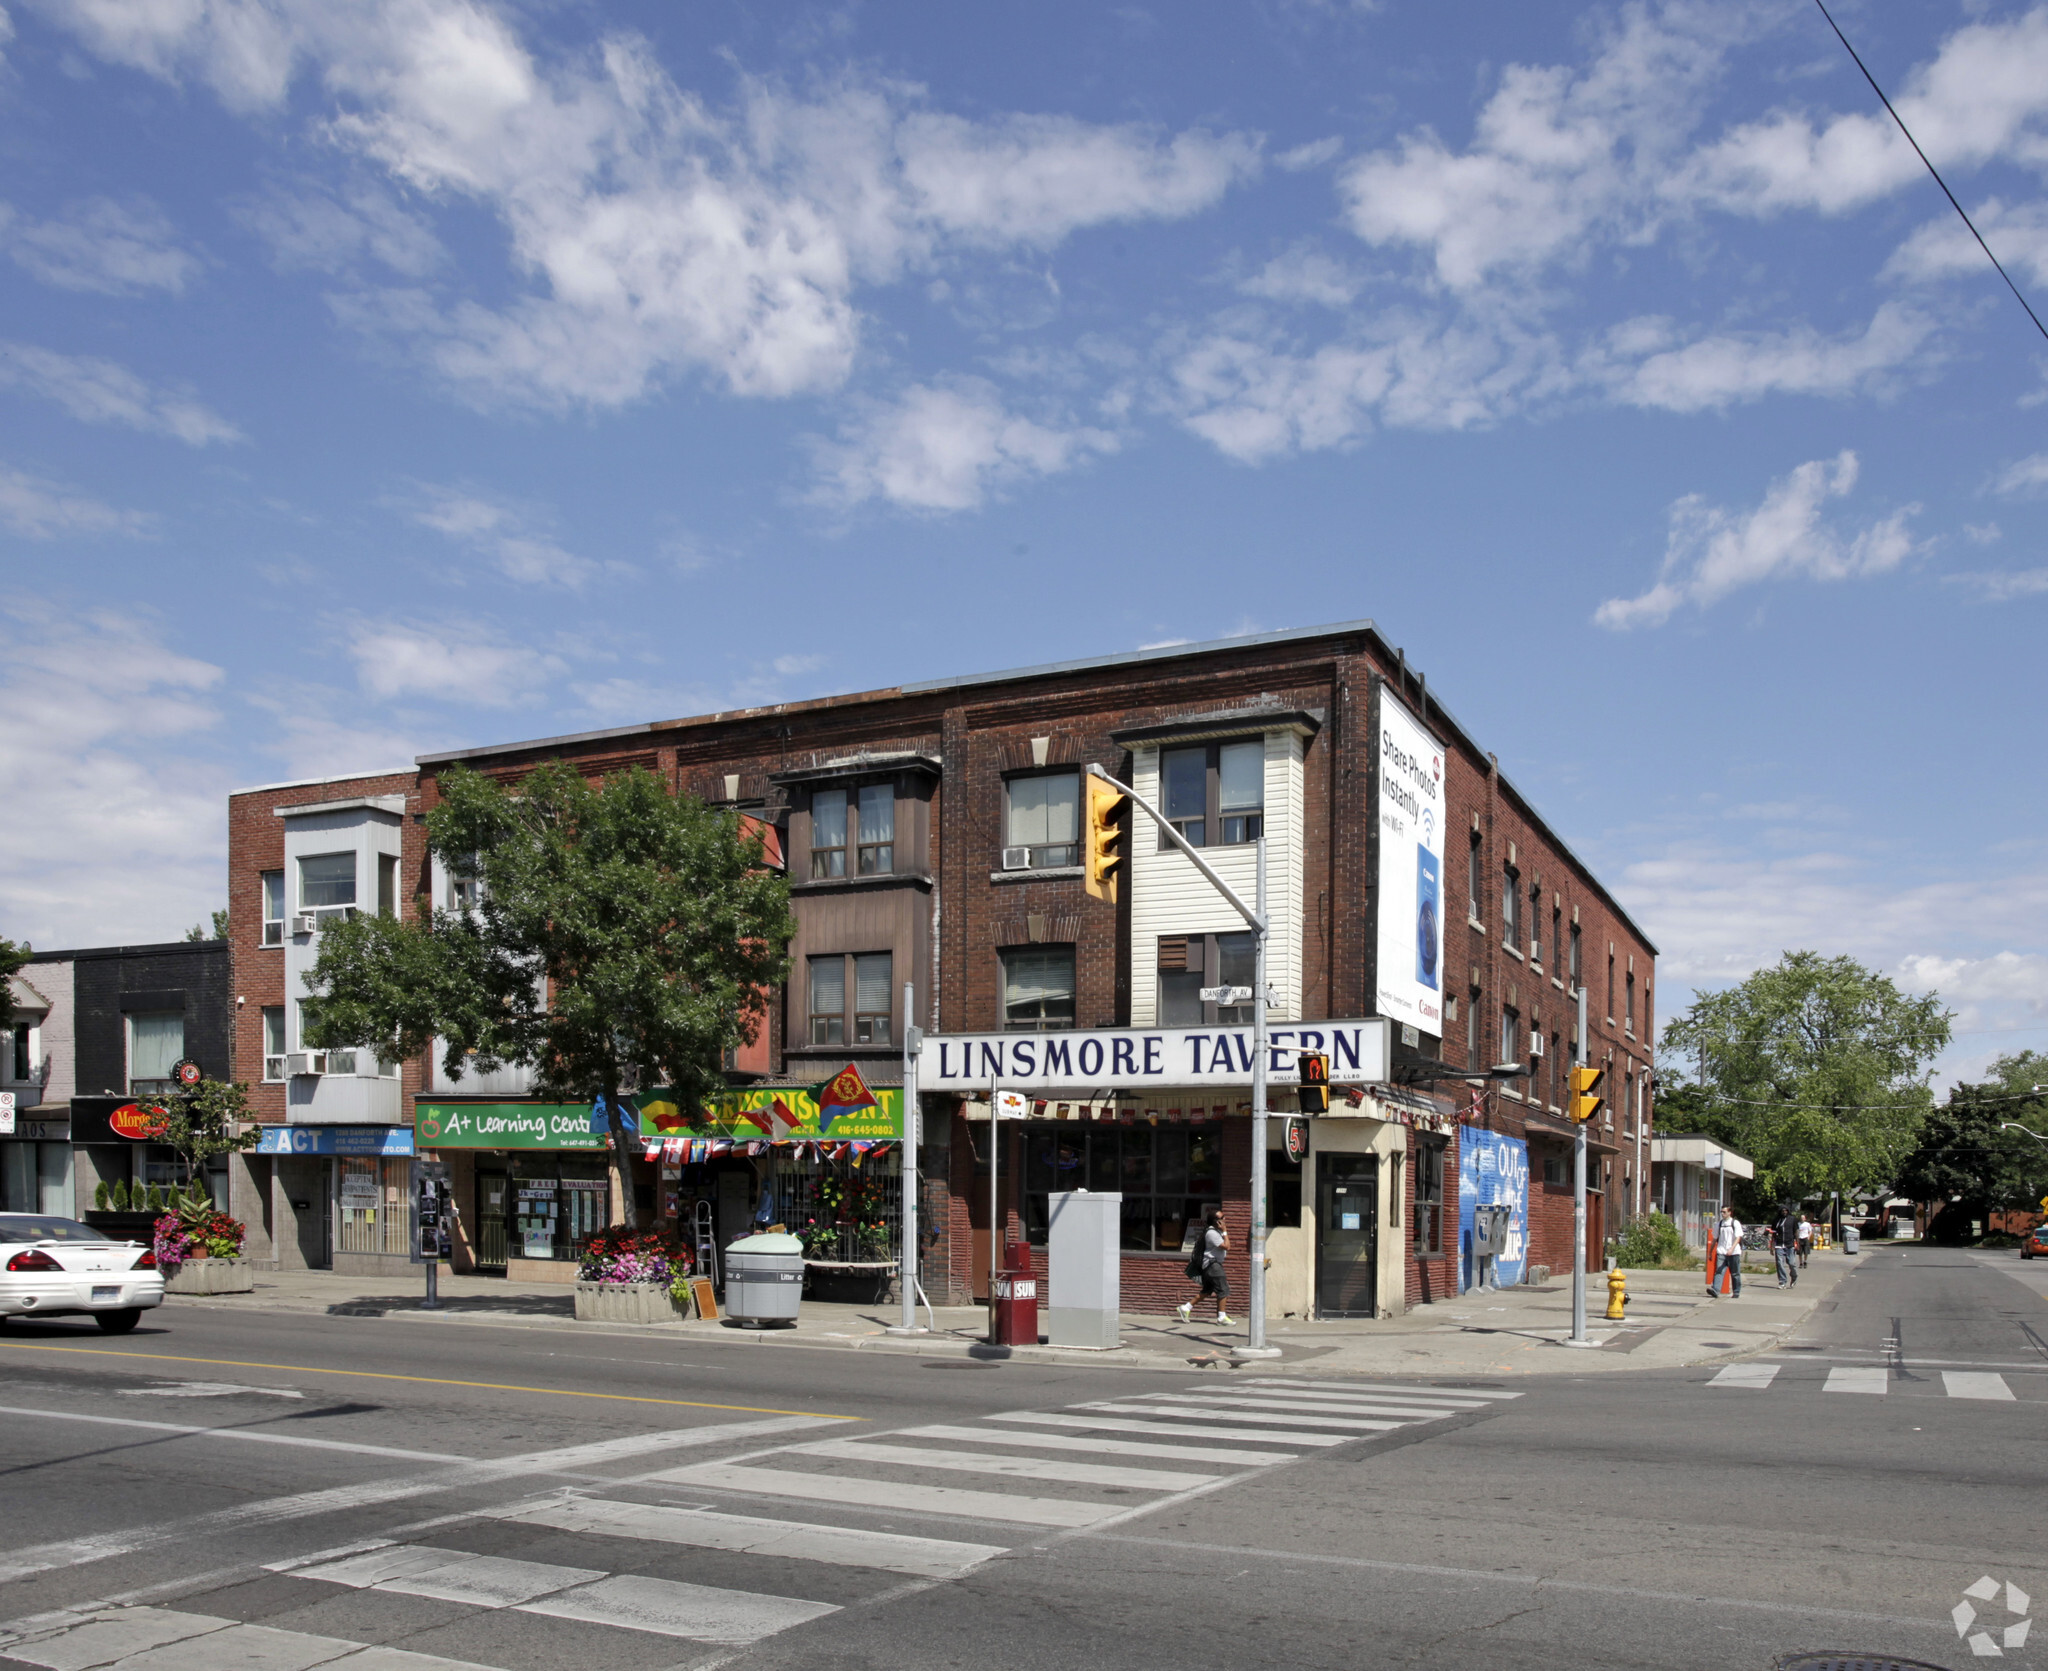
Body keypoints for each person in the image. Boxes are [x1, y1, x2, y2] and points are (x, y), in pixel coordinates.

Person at [1177, 1207, 1232, 1326]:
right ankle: (1222, 1317)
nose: (1225, 1219)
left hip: (1211, 1265)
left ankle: (1186, 1308)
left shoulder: (1214, 1231)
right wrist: (1225, 1231)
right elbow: (1227, 1246)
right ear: (1217, 1221)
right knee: (1223, 1289)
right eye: (1223, 1218)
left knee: (1207, 1290)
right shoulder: (1212, 1233)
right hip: (1213, 1265)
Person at [1710, 1204, 1744, 1298]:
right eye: (1721, 1212)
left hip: (1734, 1252)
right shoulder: (1719, 1224)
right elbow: (1714, 1238)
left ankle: (1736, 1291)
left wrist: (1732, 1248)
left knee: (1735, 1273)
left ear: (1729, 1212)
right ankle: (1715, 1290)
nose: (1722, 1214)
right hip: (1721, 1251)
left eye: (1724, 1212)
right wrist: (1710, 1252)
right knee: (1719, 1271)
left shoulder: (1735, 1223)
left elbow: (1738, 1238)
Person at [1772, 1203, 1800, 1289]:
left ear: (1788, 1211)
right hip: (1779, 1245)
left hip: (1789, 1245)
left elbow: (1796, 1231)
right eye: (1782, 1210)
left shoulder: (1792, 1219)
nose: (1784, 1212)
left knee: (1791, 1263)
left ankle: (1794, 1276)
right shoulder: (1776, 1220)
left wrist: (1797, 1244)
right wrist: (1772, 1246)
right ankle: (1782, 1281)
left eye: (1786, 1210)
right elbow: (1773, 1233)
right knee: (1780, 1264)